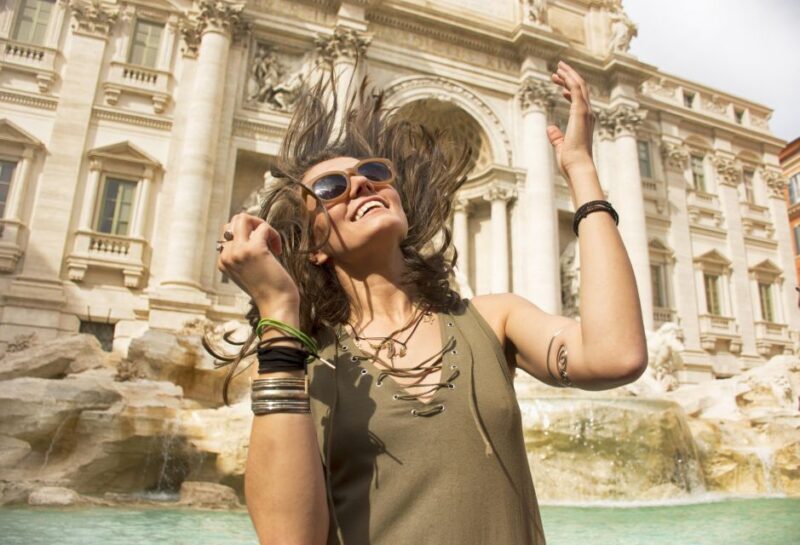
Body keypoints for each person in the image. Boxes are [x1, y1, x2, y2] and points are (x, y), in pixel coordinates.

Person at [209, 60, 648, 545]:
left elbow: (617, 355)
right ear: (314, 247)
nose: (361, 184)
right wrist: (276, 309)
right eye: (332, 189)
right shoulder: (302, 365)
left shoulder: (492, 320)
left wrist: (581, 170)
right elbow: (290, 538)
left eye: (373, 173)